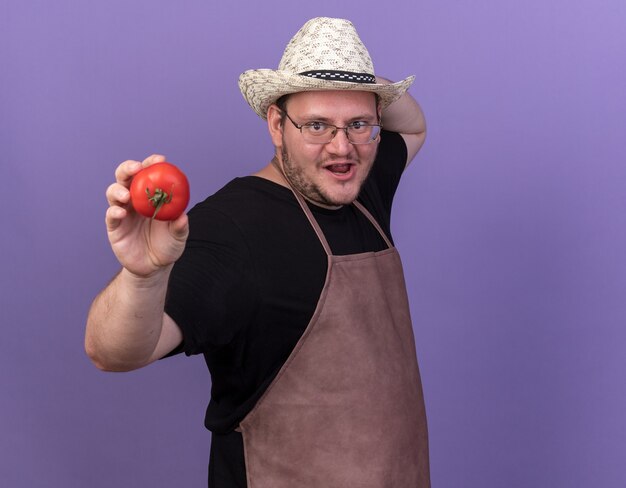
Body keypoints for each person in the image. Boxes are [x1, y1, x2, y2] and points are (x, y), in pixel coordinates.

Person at [86, 17, 430, 488]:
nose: (341, 146)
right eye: (315, 125)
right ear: (275, 123)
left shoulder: (360, 190)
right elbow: (113, 352)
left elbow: (412, 126)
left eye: (358, 124)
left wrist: (350, 84)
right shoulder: (232, 228)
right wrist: (144, 277)